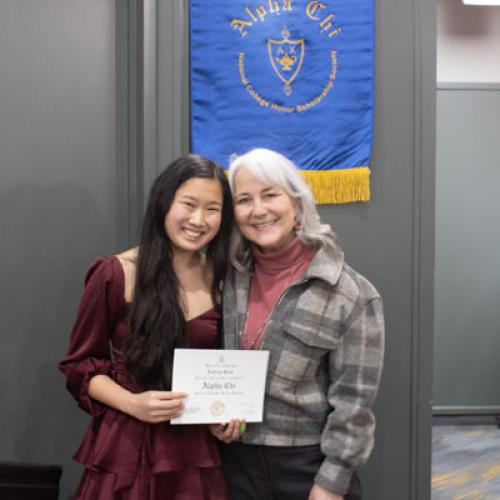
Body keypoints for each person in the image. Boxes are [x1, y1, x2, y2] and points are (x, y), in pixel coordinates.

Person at [59, 154, 241, 500]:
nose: (199, 220)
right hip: (126, 446)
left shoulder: (225, 281)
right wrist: (133, 404)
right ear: (164, 202)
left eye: (213, 209)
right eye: (188, 204)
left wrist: (232, 420)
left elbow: (229, 371)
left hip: (195, 451)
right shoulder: (116, 272)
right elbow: (79, 366)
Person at [211, 148, 385, 500]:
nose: (258, 210)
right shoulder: (225, 280)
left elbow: (354, 405)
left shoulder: (351, 294)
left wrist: (330, 484)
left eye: (270, 194)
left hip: (307, 468)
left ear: (297, 203)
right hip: (232, 464)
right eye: (244, 200)